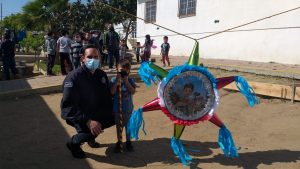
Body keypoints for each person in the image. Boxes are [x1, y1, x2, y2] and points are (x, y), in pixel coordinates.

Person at [61, 44, 115, 158]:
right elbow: (68, 106)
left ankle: (91, 137)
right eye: (90, 57)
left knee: (115, 117)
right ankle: (74, 143)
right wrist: (89, 121)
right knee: (88, 131)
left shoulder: (101, 74)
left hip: (94, 111)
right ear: (82, 58)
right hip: (79, 115)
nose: (93, 60)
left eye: (96, 57)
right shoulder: (73, 77)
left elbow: (106, 96)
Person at [110, 59, 136, 153]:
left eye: (125, 70)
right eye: (121, 70)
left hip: (128, 109)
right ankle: (119, 141)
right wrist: (116, 83)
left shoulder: (130, 80)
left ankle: (128, 141)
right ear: (117, 69)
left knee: (128, 126)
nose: (123, 72)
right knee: (119, 126)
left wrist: (126, 81)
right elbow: (112, 92)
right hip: (117, 109)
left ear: (129, 70)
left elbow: (132, 91)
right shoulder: (113, 80)